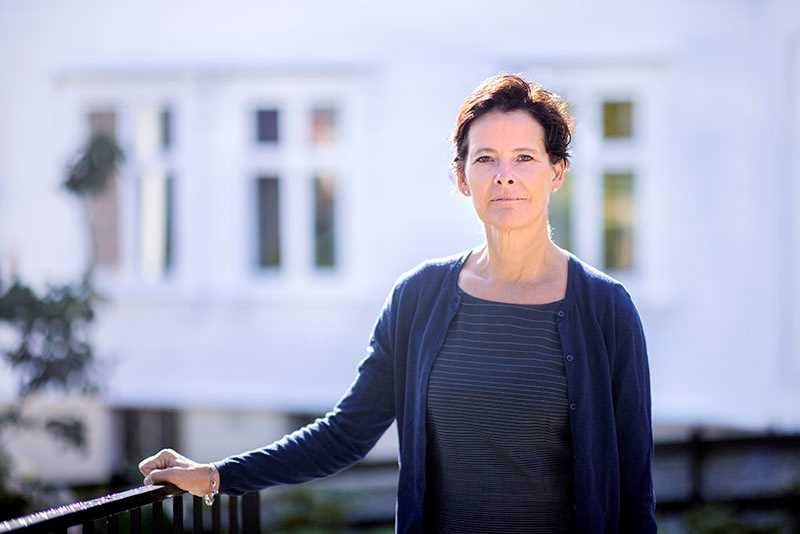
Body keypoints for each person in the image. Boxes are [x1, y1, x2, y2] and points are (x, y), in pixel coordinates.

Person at [139, 73, 657, 533]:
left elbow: (634, 486)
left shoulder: (605, 309)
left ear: (556, 172)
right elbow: (345, 433)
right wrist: (216, 476)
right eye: (485, 159)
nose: (505, 175)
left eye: (525, 157)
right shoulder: (418, 299)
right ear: (461, 177)